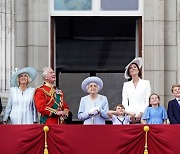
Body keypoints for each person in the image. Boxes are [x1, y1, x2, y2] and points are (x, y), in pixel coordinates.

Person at [122, 57, 151, 123]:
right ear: (129, 72)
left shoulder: (146, 83)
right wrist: (130, 114)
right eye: (131, 68)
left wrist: (141, 113)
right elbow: (124, 101)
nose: (133, 69)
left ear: (138, 70)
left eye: (135, 67)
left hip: (143, 115)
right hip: (130, 115)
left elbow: (147, 100)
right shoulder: (126, 85)